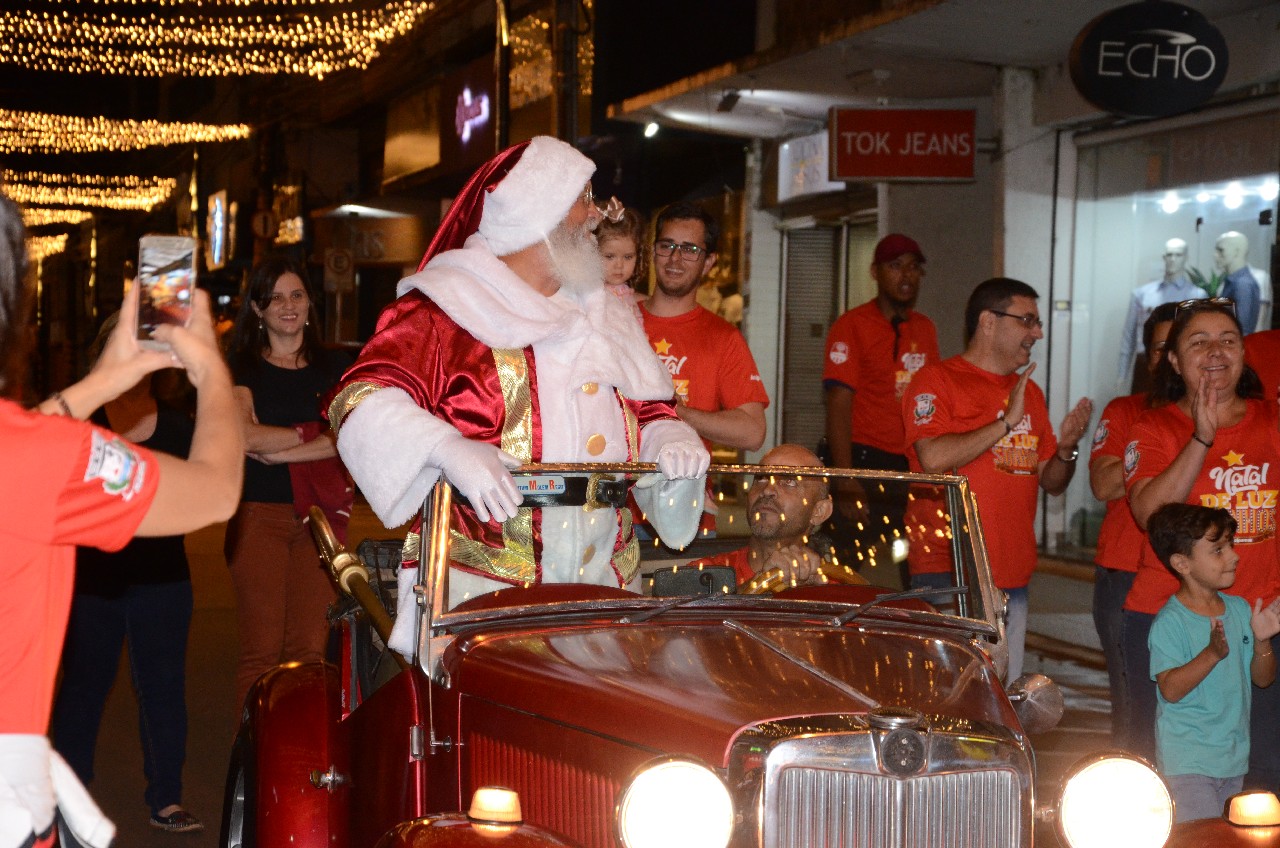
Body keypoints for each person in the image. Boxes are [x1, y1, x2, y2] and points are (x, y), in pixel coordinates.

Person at [329, 136, 709, 646]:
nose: (596, 217)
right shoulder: (445, 309)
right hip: (482, 603)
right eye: (583, 200)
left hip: (608, 595)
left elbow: (648, 409)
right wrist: (445, 448)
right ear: (539, 211)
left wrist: (667, 438)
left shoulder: (609, 313)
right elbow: (357, 398)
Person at [0, 194, 242, 847]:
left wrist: (97, 388)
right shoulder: (46, 457)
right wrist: (212, 371)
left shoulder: (36, 447)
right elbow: (215, 491)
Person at [49, 317, 203, 833]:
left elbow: (206, 502)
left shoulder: (180, 427)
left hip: (163, 582)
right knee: (83, 691)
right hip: (94, 582)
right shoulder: (81, 421)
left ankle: (167, 800)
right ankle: (66, 802)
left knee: (163, 690)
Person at [902, 277, 1093, 683]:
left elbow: (1052, 482)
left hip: (1011, 577)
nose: (1037, 333)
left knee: (1002, 701)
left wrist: (1067, 450)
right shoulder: (937, 382)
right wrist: (1005, 421)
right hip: (948, 575)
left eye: (1038, 323)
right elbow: (932, 457)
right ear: (988, 321)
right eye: (1027, 321)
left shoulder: (1030, 394)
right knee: (947, 701)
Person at [1124, 296, 1280, 786]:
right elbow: (1147, 513)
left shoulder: (1271, 421)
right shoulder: (1153, 426)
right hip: (1171, 621)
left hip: (1259, 626)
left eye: (1228, 340)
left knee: (1258, 775)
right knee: (1167, 774)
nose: (1216, 350)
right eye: (1199, 341)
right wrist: (1201, 438)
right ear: (1173, 359)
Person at [223, 258, 353, 708]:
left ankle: (305, 760)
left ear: (310, 304)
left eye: (296, 295)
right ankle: (255, 761)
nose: (288, 305)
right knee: (260, 654)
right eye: (275, 297)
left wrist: (279, 449)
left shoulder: (335, 368)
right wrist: (315, 436)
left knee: (310, 653)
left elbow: (349, 437)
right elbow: (243, 436)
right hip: (261, 516)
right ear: (257, 310)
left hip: (321, 520)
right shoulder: (243, 369)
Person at [1146, 503, 1280, 823]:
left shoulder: (1239, 609)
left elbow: (1263, 679)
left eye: (1230, 545)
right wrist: (1211, 655)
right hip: (1188, 763)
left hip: (1233, 761)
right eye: (1218, 549)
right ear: (1182, 563)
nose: (1234, 556)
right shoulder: (1170, 622)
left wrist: (1262, 640)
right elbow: (1170, 689)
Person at [822, 233, 939, 578]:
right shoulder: (852, 326)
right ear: (875, 272)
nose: (906, 275)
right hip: (863, 463)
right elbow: (838, 406)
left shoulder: (925, 329)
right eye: (896, 266)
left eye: (914, 267)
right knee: (846, 568)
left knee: (914, 567)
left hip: (911, 468)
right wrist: (846, 480)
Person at [1089, 301, 1177, 749]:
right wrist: (1169, 449)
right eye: (1161, 347)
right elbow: (1104, 483)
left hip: (1192, 580)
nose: (1171, 356)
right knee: (1132, 707)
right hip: (1124, 575)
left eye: (1183, 343)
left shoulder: (1220, 416)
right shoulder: (1125, 410)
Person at [640, 201, 769, 455]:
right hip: (612, 488)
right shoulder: (620, 321)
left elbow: (753, 432)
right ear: (653, 252)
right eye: (667, 246)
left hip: (683, 490)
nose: (675, 258)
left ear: (708, 262)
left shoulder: (724, 338)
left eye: (690, 250)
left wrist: (677, 413)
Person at [689, 444, 834, 588]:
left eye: (789, 482)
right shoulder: (704, 576)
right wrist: (757, 585)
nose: (767, 490)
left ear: (819, 511)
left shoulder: (835, 586)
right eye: (761, 478)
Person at [1116, 238, 1205, 394]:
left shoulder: (1197, 295)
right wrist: (1121, 376)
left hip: (1182, 364)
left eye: (1178, 255)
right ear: (1164, 257)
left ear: (1185, 257)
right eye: (1169, 255)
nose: (1172, 259)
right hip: (1146, 362)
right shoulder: (1142, 294)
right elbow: (1128, 336)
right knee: (1142, 412)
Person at [595, 204, 647, 316]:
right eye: (610, 256)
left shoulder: (627, 293)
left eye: (628, 257)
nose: (619, 265)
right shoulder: (592, 295)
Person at [1216, 232, 1262, 336]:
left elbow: (1242, 328)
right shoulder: (1234, 282)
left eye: (1221, 250)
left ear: (1236, 251)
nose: (1215, 255)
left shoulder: (1243, 284)